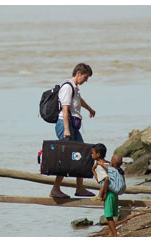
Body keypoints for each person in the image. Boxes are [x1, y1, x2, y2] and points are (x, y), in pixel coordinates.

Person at [50, 63, 96, 198]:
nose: (86, 81)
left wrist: (89, 109)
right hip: (65, 125)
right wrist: (66, 130)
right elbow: (65, 110)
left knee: (82, 153)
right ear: (78, 74)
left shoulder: (75, 88)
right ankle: (55, 189)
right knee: (65, 158)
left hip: (72, 126)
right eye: (86, 77)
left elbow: (79, 100)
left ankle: (80, 188)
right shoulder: (67, 87)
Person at [102, 154, 124, 237]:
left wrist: (103, 193)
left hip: (109, 194)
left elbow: (106, 181)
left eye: (111, 160)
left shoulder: (111, 170)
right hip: (115, 195)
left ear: (113, 162)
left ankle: (115, 234)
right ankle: (111, 233)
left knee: (108, 216)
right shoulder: (119, 170)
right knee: (110, 215)